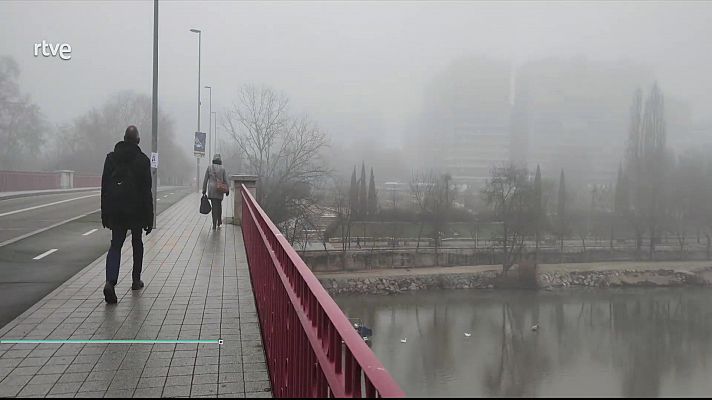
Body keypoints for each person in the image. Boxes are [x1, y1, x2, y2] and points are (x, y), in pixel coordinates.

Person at [100, 125, 153, 304]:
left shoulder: (111, 158)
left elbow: (105, 188)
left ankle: (110, 282)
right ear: (137, 141)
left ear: (123, 138)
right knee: (137, 242)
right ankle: (135, 280)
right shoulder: (143, 161)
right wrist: (149, 218)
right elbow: (147, 192)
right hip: (136, 210)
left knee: (115, 245)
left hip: (116, 209)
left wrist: (105, 213)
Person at [203, 153, 229, 230]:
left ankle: (214, 224)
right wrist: (227, 190)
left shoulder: (209, 167)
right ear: (220, 160)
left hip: (211, 189)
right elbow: (226, 180)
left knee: (214, 206)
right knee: (219, 205)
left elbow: (205, 179)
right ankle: (219, 221)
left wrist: (204, 189)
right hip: (220, 189)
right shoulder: (222, 169)